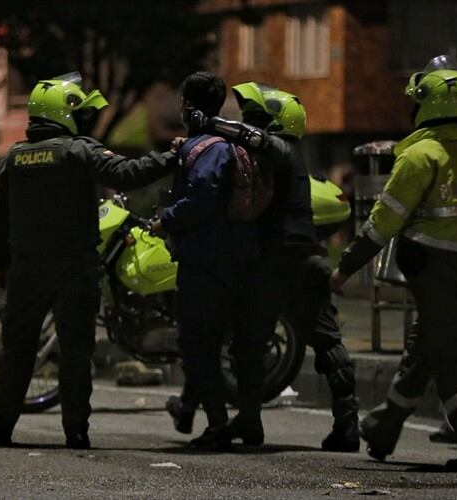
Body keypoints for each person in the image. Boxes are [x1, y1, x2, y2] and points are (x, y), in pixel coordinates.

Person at [329, 55, 457, 472]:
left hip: (435, 273)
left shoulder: (419, 158)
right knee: (425, 351)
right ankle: (384, 427)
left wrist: (344, 268)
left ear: (428, 106)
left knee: (454, 356)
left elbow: (381, 224)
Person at [0, 72, 175, 450]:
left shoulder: (13, 159)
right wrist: (172, 155)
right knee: (75, 350)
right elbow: (128, 173)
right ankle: (76, 431)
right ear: (61, 113)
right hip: (74, 270)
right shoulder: (77, 151)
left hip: (26, 271)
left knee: (17, 349)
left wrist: (1, 263)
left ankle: (2, 424)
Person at [194, 82, 361, 452]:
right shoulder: (280, 158)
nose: (251, 125)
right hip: (303, 256)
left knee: (252, 343)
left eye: (256, 118)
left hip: (275, 259)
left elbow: (258, 143)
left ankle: (253, 419)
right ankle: (345, 422)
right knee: (323, 338)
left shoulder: (280, 150)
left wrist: (212, 123)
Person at [152, 71, 260, 450]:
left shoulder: (206, 149)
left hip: (206, 261)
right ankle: (190, 409)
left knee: (198, 344)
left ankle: (216, 424)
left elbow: (202, 198)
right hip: (229, 258)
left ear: (190, 107)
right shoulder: (217, 144)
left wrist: (166, 218)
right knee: (207, 342)